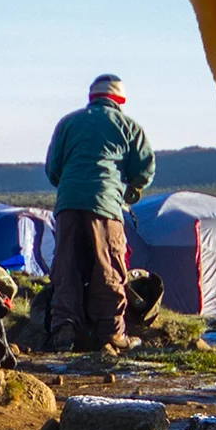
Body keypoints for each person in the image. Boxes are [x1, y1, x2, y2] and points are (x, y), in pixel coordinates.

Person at [45, 74, 154, 352]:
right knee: (109, 266)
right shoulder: (129, 126)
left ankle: (64, 331)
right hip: (105, 205)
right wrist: (129, 191)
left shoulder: (68, 123)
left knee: (67, 266)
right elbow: (144, 170)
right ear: (120, 100)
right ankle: (111, 334)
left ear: (92, 97)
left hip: (68, 204)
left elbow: (53, 169)